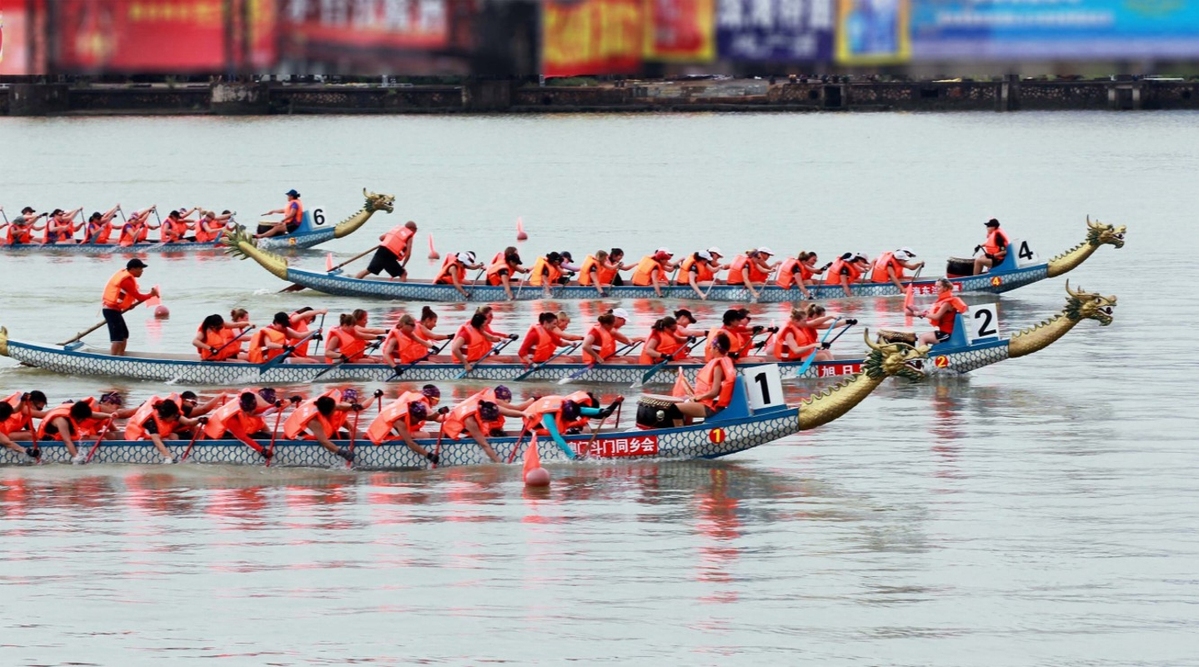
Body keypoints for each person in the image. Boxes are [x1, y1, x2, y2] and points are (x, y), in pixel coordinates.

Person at [521, 392, 620, 459]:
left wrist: (602, 411)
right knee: (557, 432)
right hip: (532, 426)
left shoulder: (566, 404)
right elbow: (557, 438)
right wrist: (572, 456)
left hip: (547, 415)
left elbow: (582, 410)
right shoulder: (548, 417)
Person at [367, 386, 443, 464]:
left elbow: (430, 418)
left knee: (426, 434)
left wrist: (439, 412)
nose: (418, 422)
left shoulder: (409, 412)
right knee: (425, 435)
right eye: (418, 420)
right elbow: (410, 443)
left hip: (378, 432)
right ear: (412, 416)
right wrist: (429, 455)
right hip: (380, 439)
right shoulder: (400, 422)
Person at [673, 333, 736, 425]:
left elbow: (714, 392)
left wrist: (697, 398)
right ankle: (688, 427)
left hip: (709, 406)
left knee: (673, 409)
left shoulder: (717, 367)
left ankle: (679, 432)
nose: (710, 349)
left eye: (711, 347)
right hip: (706, 402)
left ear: (716, 348)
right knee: (682, 401)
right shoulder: (721, 362)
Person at [101, 258, 159, 357]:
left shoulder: (128, 278)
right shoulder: (127, 281)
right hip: (110, 310)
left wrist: (128, 305)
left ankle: (121, 356)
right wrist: (151, 294)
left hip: (115, 310)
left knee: (124, 335)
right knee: (117, 338)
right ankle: (113, 359)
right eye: (140, 269)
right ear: (132, 269)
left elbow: (121, 296)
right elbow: (139, 297)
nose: (142, 271)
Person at [284, 390, 361, 462]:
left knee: (343, 435)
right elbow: (324, 441)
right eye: (334, 411)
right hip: (297, 437)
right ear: (327, 413)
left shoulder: (325, 404)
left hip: (307, 427)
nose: (335, 411)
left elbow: (339, 406)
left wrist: (353, 406)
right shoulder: (314, 421)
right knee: (341, 437)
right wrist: (342, 453)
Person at [125, 396, 204, 464]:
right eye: (173, 417)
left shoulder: (171, 412)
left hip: (154, 435)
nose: (175, 418)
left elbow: (188, 422)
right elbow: (157, 442)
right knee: (159, 440)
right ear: (165, 416)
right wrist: (169, 458)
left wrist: (199, 420)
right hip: (136, 439)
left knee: (172, 436)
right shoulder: (150, 422)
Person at [202, 391, 278, 460]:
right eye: (251, 412)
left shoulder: (243, 405)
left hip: (229, 433)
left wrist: (275, 406)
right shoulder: (232, 418)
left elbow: (260, 412)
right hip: (213, 439)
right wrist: (262, 450)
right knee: (257, 437)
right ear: (246, 410)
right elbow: (243, 438)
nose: (254, 413)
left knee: (266, 436)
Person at [774, 305, 850, 362]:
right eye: (804, 321)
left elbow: (815, 322)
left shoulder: (799, 325)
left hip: (799, 356)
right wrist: (814, 345)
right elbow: (796, 350)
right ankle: (831, 373)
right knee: (822, 356)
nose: (806, 323)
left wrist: (844, 321)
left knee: (825, 351)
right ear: (796, 320)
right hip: (791, 360)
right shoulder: (789, 332)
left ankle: (835, 368)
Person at [913, 278, 969, 346]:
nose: (936, 288)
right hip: (943, 332)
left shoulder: (947, 303)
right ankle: (925, 353)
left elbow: (937, 317)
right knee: (922, 336)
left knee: (922, 338)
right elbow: (936, 314)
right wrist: (924, 313)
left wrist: (923, 314)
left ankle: (923, 356)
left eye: (938, 287)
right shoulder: (944, 301)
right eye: (935, 286)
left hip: (946, 334)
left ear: (945, 288)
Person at [247, 312, 315, 364]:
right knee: (311, 361)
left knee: (312, 361)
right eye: (283, 325)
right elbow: (269, 345)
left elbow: (300, 336)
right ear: (276, 322)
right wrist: (285, 347)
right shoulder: (267, 331)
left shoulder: (285, 329)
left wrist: (314, 334)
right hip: (269, 360)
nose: (285, 327)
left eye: (286, 325)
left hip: (280, 357)